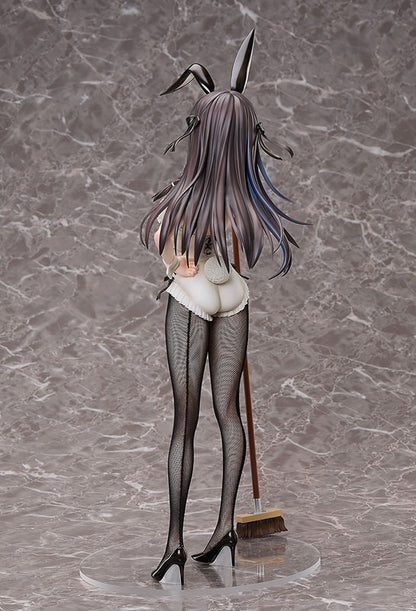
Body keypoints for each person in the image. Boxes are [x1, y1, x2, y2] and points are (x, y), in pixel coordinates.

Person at [141, 29, 306, 586]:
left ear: (203, 132)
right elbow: (238, 243)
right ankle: (225, 528)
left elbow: (170, 252)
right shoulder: (242, 190)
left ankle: (174, 544)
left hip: (193, 296)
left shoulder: (186, 191)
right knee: (228, 412)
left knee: (184, 424)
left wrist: (177, 253)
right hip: (234, 293)